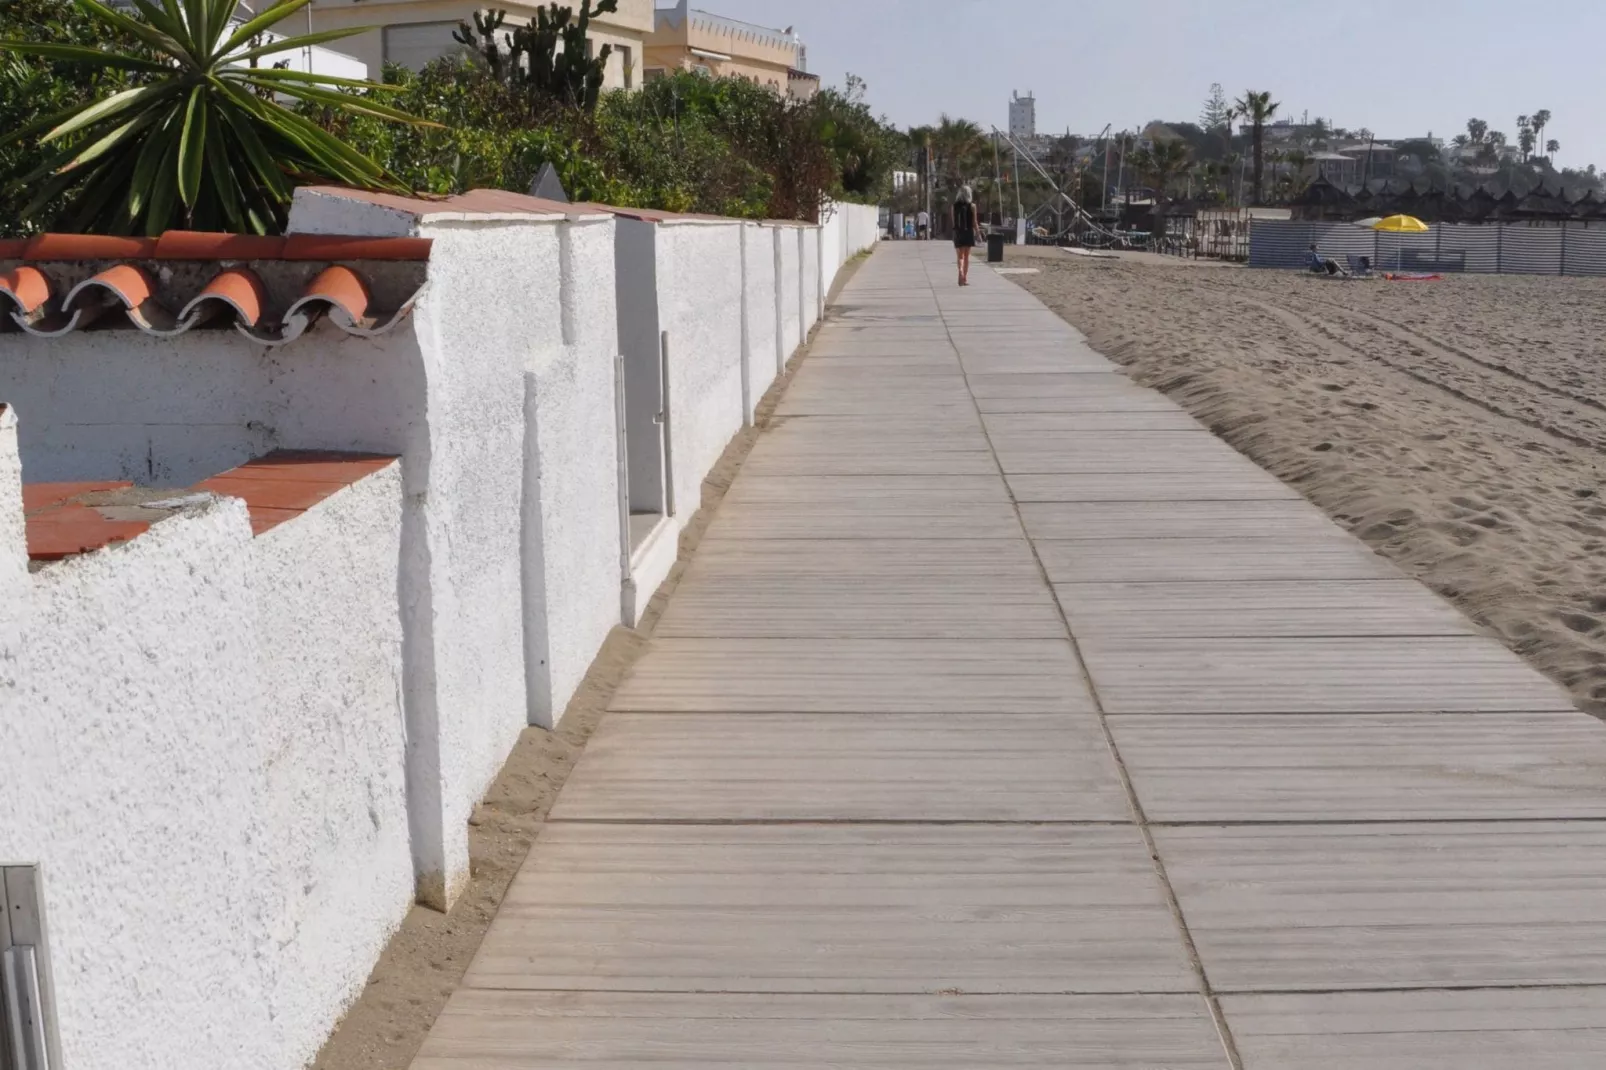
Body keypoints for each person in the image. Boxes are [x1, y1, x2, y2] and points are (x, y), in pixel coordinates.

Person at [952, 185, 980, 286]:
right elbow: (974, 222)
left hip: (958, 233)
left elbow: (953, 222)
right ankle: (964, 278)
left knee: (960, 256)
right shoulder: (972, 206)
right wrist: (978, 234)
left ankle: (960, 271)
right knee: (967, 257)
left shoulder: (954, 206)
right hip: (968, 232)